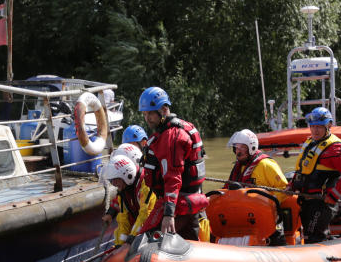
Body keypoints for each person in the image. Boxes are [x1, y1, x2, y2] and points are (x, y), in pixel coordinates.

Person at [138, 86, 210, 241]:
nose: (147, 118)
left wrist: (169, 214)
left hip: (178, 203)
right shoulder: (170, 131)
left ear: (163, 110)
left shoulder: (172, 137)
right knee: (190, 237)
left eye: (150, 113)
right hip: (185, 200)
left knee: (145, 239)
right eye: (144, 114)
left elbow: (173, 177)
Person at [286, 107, 341, 243]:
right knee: (307, 235)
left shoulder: (335, 148)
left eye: (319, 126)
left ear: (329, 125)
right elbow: (303, 170)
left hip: (321, 202)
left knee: (315, 238)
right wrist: (292, 185)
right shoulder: (310, 142)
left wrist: (334, 194)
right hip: (306, 199)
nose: (315, 130)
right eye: (312, 126)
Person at [101, 153, 155, 245]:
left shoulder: (145, 185)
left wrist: (131, 239)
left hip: (152, 231)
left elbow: (145, 215)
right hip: (137, 235)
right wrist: (119, 245)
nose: (113, 183)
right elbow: (123, 220)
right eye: (111, 181)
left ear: (126, 175)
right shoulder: (124, 191)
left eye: (115, 180)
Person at [225, 129, 289, 201]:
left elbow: (284, 189)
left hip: (262, 208)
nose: (238, 151)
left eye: (242, 147)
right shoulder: (238, 166)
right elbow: (226, 189)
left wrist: (265, 201)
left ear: (252, 148)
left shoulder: (266, 165)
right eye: (236, 147)